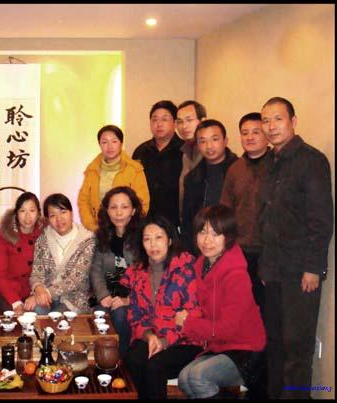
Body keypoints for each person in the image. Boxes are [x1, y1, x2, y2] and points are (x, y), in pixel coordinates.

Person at [258, 97, 333, 399]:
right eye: (266, 120)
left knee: (297, 349)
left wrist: (313, 268)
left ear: (293, 121)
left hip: (301, 273)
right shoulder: (269, 161)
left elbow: (321, 220)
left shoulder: (311, 161)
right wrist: (265, 268)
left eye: (278, 119)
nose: (271, 126)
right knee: (275, 345)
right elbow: (267, 218)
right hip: (273, 270)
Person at [176, 205, 266, 399]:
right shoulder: (203, 265)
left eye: (215, 234)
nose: (207, 240)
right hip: (220, 345)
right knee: (184, 378)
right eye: (202, 232)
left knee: (198, 377)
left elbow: (229, 327)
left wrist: (188, 323)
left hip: (245, 350)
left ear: (228, 237)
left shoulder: (236, 274)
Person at [122, 215, 202, 399]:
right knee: (132, 360)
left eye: (158, 237)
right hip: (153, 336)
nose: (153, 244)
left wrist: (164, 342)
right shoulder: (138, 272)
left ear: (170, 240)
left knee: (154, 366)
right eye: (147, 239)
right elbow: (134, 315)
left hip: (186, 341)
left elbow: (194, 315)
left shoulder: (186, 269)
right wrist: (149, 336)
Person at [220, 112, 269, 311]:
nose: (250, 137)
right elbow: (226, 209)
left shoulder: (277, 165)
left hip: (269, 251)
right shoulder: (235, 169)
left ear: (266, 134)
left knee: (267, 308)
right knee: (242, 306)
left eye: (256, 132)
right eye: (245, 133)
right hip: (240, 250)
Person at [89, 186, 143, 358]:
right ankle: (102, 361)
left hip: (133, 297)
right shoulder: (102, 235)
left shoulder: (143, 237)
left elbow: (147, 276)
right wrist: (103, 295)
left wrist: (128, 300)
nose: (119, 213)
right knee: (99, 316)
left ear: (133, 210)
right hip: (107, 295)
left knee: (120, 316)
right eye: (113, 207)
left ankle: (122, 362)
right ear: (107, 211)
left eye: (124, 207)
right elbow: (96, 269)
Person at [25, 193, 95, 314]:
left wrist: (47, 293)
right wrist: (38, 288)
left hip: (74, 299)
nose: (59, 219)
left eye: (63, 212)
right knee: (34, 310)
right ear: (47, 219)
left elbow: (74, 280)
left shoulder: (87, 240)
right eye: (53, 215)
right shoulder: (43, 239)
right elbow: (36, 273)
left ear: (71, 213)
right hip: (47, 296)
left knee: (55, 318)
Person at [0, 192, 44, 321]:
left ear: (38, 213)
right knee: (10, 318)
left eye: (32, 210)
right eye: (22, 211)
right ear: (16, 214)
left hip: (28, 290)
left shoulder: (44, 234)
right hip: (0, 289)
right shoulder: (3, 235)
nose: (27, 216)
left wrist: (37, 292)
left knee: (37, 316)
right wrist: (15, 302)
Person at [77, 124, 149, 232]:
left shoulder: (135, 169)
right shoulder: (92, 170)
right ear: (99, 144)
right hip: (99, 229)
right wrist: (93, 226)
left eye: (114, 141)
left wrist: (128, 227)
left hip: (127, 230)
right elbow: (83, 201)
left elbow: (142, 203)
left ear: (121, 143)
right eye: (104, 142)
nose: (109, 146)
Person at [181, 119, 237, 251]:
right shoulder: (192, 178)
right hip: (203, 245)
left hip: (232, 244)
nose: (209, 146)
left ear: (225, 141)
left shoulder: (239, 171)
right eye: (202, 141)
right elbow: (188, 219)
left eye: (214, 139)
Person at [132, 100, 184, 229]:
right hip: (144, 221)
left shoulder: (185, 151)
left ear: (175, 123)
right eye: (154, 120)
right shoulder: (140, 151)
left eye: (164, 119)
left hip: (175, 223)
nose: (159, 124)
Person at [176, 100, 206, 222]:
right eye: (180, 122)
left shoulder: (210, 152)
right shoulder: (185, 152)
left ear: (202, 121)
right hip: (188, 221)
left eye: (189, 120)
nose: (184, 126)